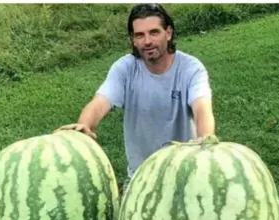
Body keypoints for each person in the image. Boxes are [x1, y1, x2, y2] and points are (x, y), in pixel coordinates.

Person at [57, 4, 216, 196]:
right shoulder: (125, 68)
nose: (147, 41)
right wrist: (83, 126)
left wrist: (205, 142)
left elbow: (202, 108)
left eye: (154, 32)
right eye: (139, 35)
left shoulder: (191, 69)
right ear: (133, 39)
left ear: (168, 33)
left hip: (185, 174)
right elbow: (100, 102)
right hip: (140, 177)